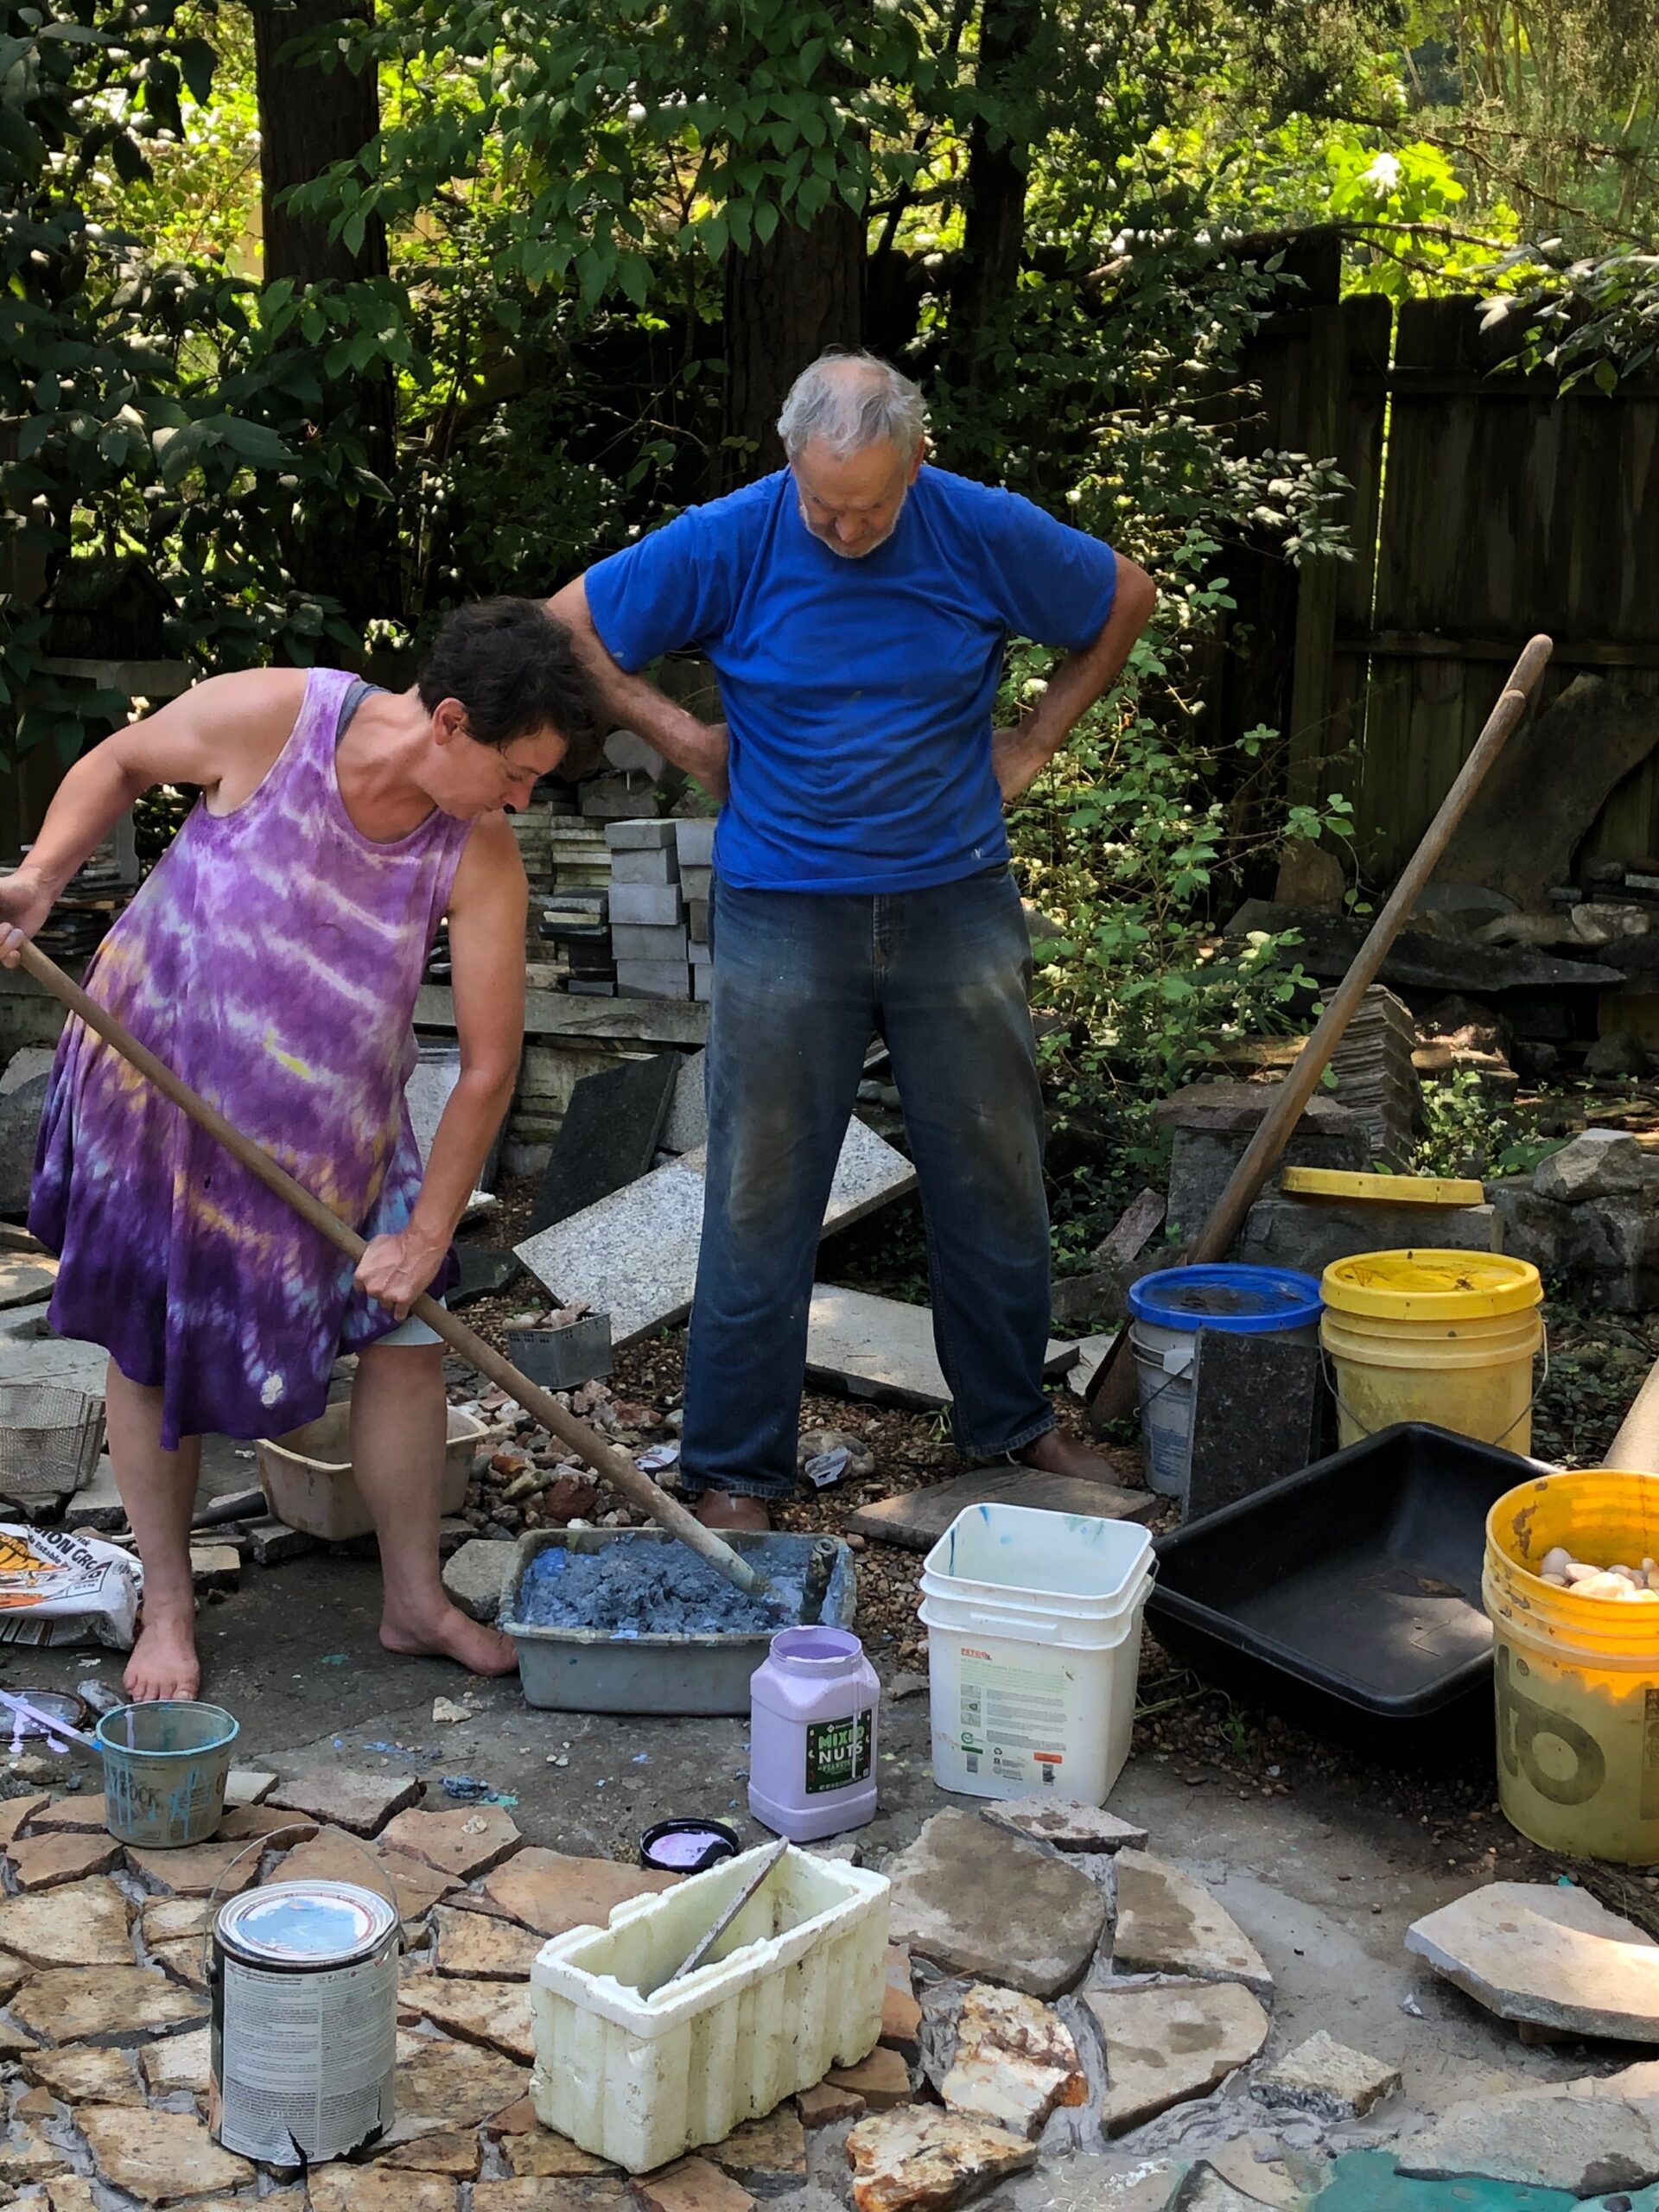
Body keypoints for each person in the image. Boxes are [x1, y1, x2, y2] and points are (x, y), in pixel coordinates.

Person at [550, 352, 1157, 1530]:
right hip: (784, 906)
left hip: (955, 900)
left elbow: (1121, 596)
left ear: (918, 462)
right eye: (822, 501)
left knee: (992, 1171)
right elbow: (569, 627)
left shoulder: (978, 529)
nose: (842, 525)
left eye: (868, 505)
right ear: (792, 462)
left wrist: (1032, 741)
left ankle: (1012, 1426)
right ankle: (736, 1468)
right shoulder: (732, 535)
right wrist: (683, 735)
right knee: (759, 1191)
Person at [0, 599, 598, 1699]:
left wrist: (424, 1234)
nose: (521, 798)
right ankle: (169, 1611)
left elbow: (486, 1064)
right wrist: (41, 877)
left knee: (408, 1337)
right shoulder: (275, 717)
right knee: (145, 1344)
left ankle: (414, 1600)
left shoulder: (475, 847)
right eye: (517, 771)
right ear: (451, 721)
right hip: (159, 1093)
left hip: (343, 1128)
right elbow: (123, 759)